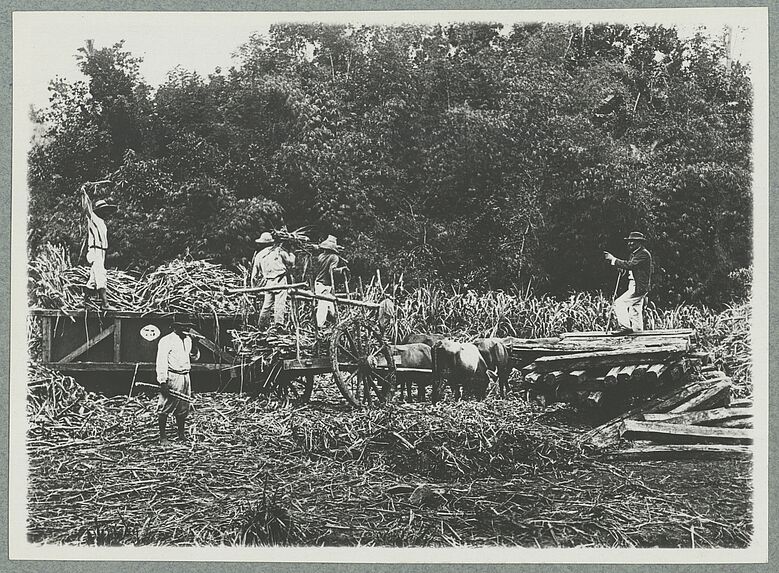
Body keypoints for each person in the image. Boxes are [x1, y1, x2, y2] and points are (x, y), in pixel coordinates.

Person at [603, 231, 653, 335]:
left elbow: (631, 265)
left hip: (638, 286)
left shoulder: (643, 254)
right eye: (629, 241)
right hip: (634, 284)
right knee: (635, 310)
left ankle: (625, 327)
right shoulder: (634, 254)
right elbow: (631, 267)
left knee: (619, 304)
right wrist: (622, 269)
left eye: (633, 242)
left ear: (639, 243)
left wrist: (614, 260)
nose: (630, 244)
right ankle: (638, 332)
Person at [156, 318, 195, 445]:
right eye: (183, 327)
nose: (187, 330)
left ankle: (181, 434)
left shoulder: (188, 340)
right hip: (173, 375)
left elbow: (192, 357)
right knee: (166, 406)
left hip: (185, 375)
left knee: (183, 406)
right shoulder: (166, 340)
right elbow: (161, 361)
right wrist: (163, 381)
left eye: (188, 327)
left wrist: (196, 346)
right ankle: (163, 437)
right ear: (175, 327)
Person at [251, 232, 296, 332]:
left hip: (268, 282)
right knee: (279, 304)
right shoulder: (279, 251)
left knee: (267, 305)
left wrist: (254, 287)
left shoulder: (259, 255)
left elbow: (254, 275)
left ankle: (261, 325)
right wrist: (292, 253)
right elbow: (290, 262)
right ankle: (279, 326)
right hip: (280, 281)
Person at [81, 187, 117, 309]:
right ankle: (105, 304)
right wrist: (84, 193)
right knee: (101, 275)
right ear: (99, 211)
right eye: (104, 210)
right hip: (95, 250)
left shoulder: (102, 223)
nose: (106, 212)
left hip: (101, 252)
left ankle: (85, 301)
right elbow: (87, 208)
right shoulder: (93, 219)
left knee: (93, 278)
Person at [314, 235, 348, 328]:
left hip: (319, 283)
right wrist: (341, 270)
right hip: (325, 284)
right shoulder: (334, 257)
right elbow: (332, 271)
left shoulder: (320, 256)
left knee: (331, 307)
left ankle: (332, 325)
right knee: (323, 305)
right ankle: (319, 326)